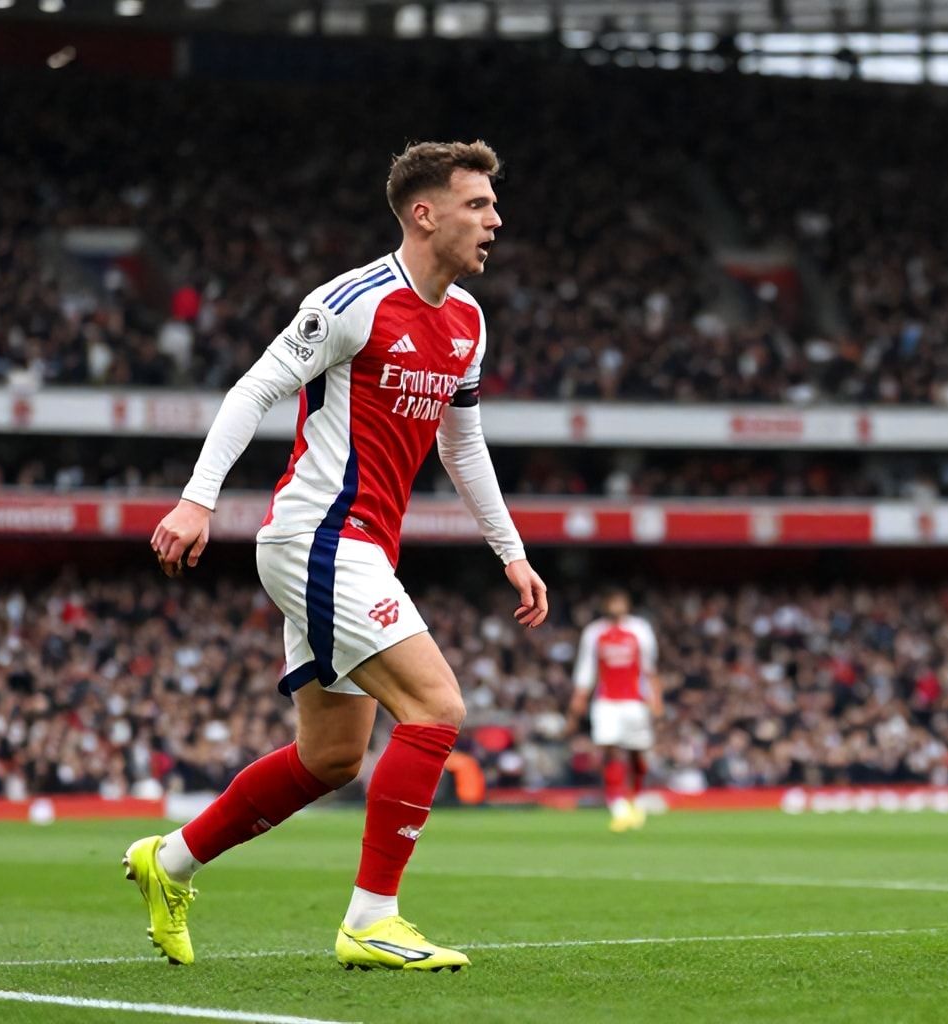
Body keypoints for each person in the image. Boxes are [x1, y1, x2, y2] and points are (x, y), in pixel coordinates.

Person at [128, 140, 549, 973]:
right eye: (478, 205)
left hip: (355, 548)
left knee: (330, 759)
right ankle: (372, 918)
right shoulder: (352, 302)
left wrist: (511, 550)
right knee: (437, 708)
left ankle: (167, 861)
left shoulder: (468, 320)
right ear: (425, 213)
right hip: (320, 535)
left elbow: (462, 447)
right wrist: (197, 498)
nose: (496, 219)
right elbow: (253, 389)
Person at [568, 588, 662, 832]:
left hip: (634, 700)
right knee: (609, 750)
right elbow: (586, 667)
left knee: (636, 754)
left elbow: (649, 666)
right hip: (606, 701)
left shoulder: (639, 629)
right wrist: (580, 697)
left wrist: (656, 697)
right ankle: (619, 807)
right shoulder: (595, 632)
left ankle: (637, 800)